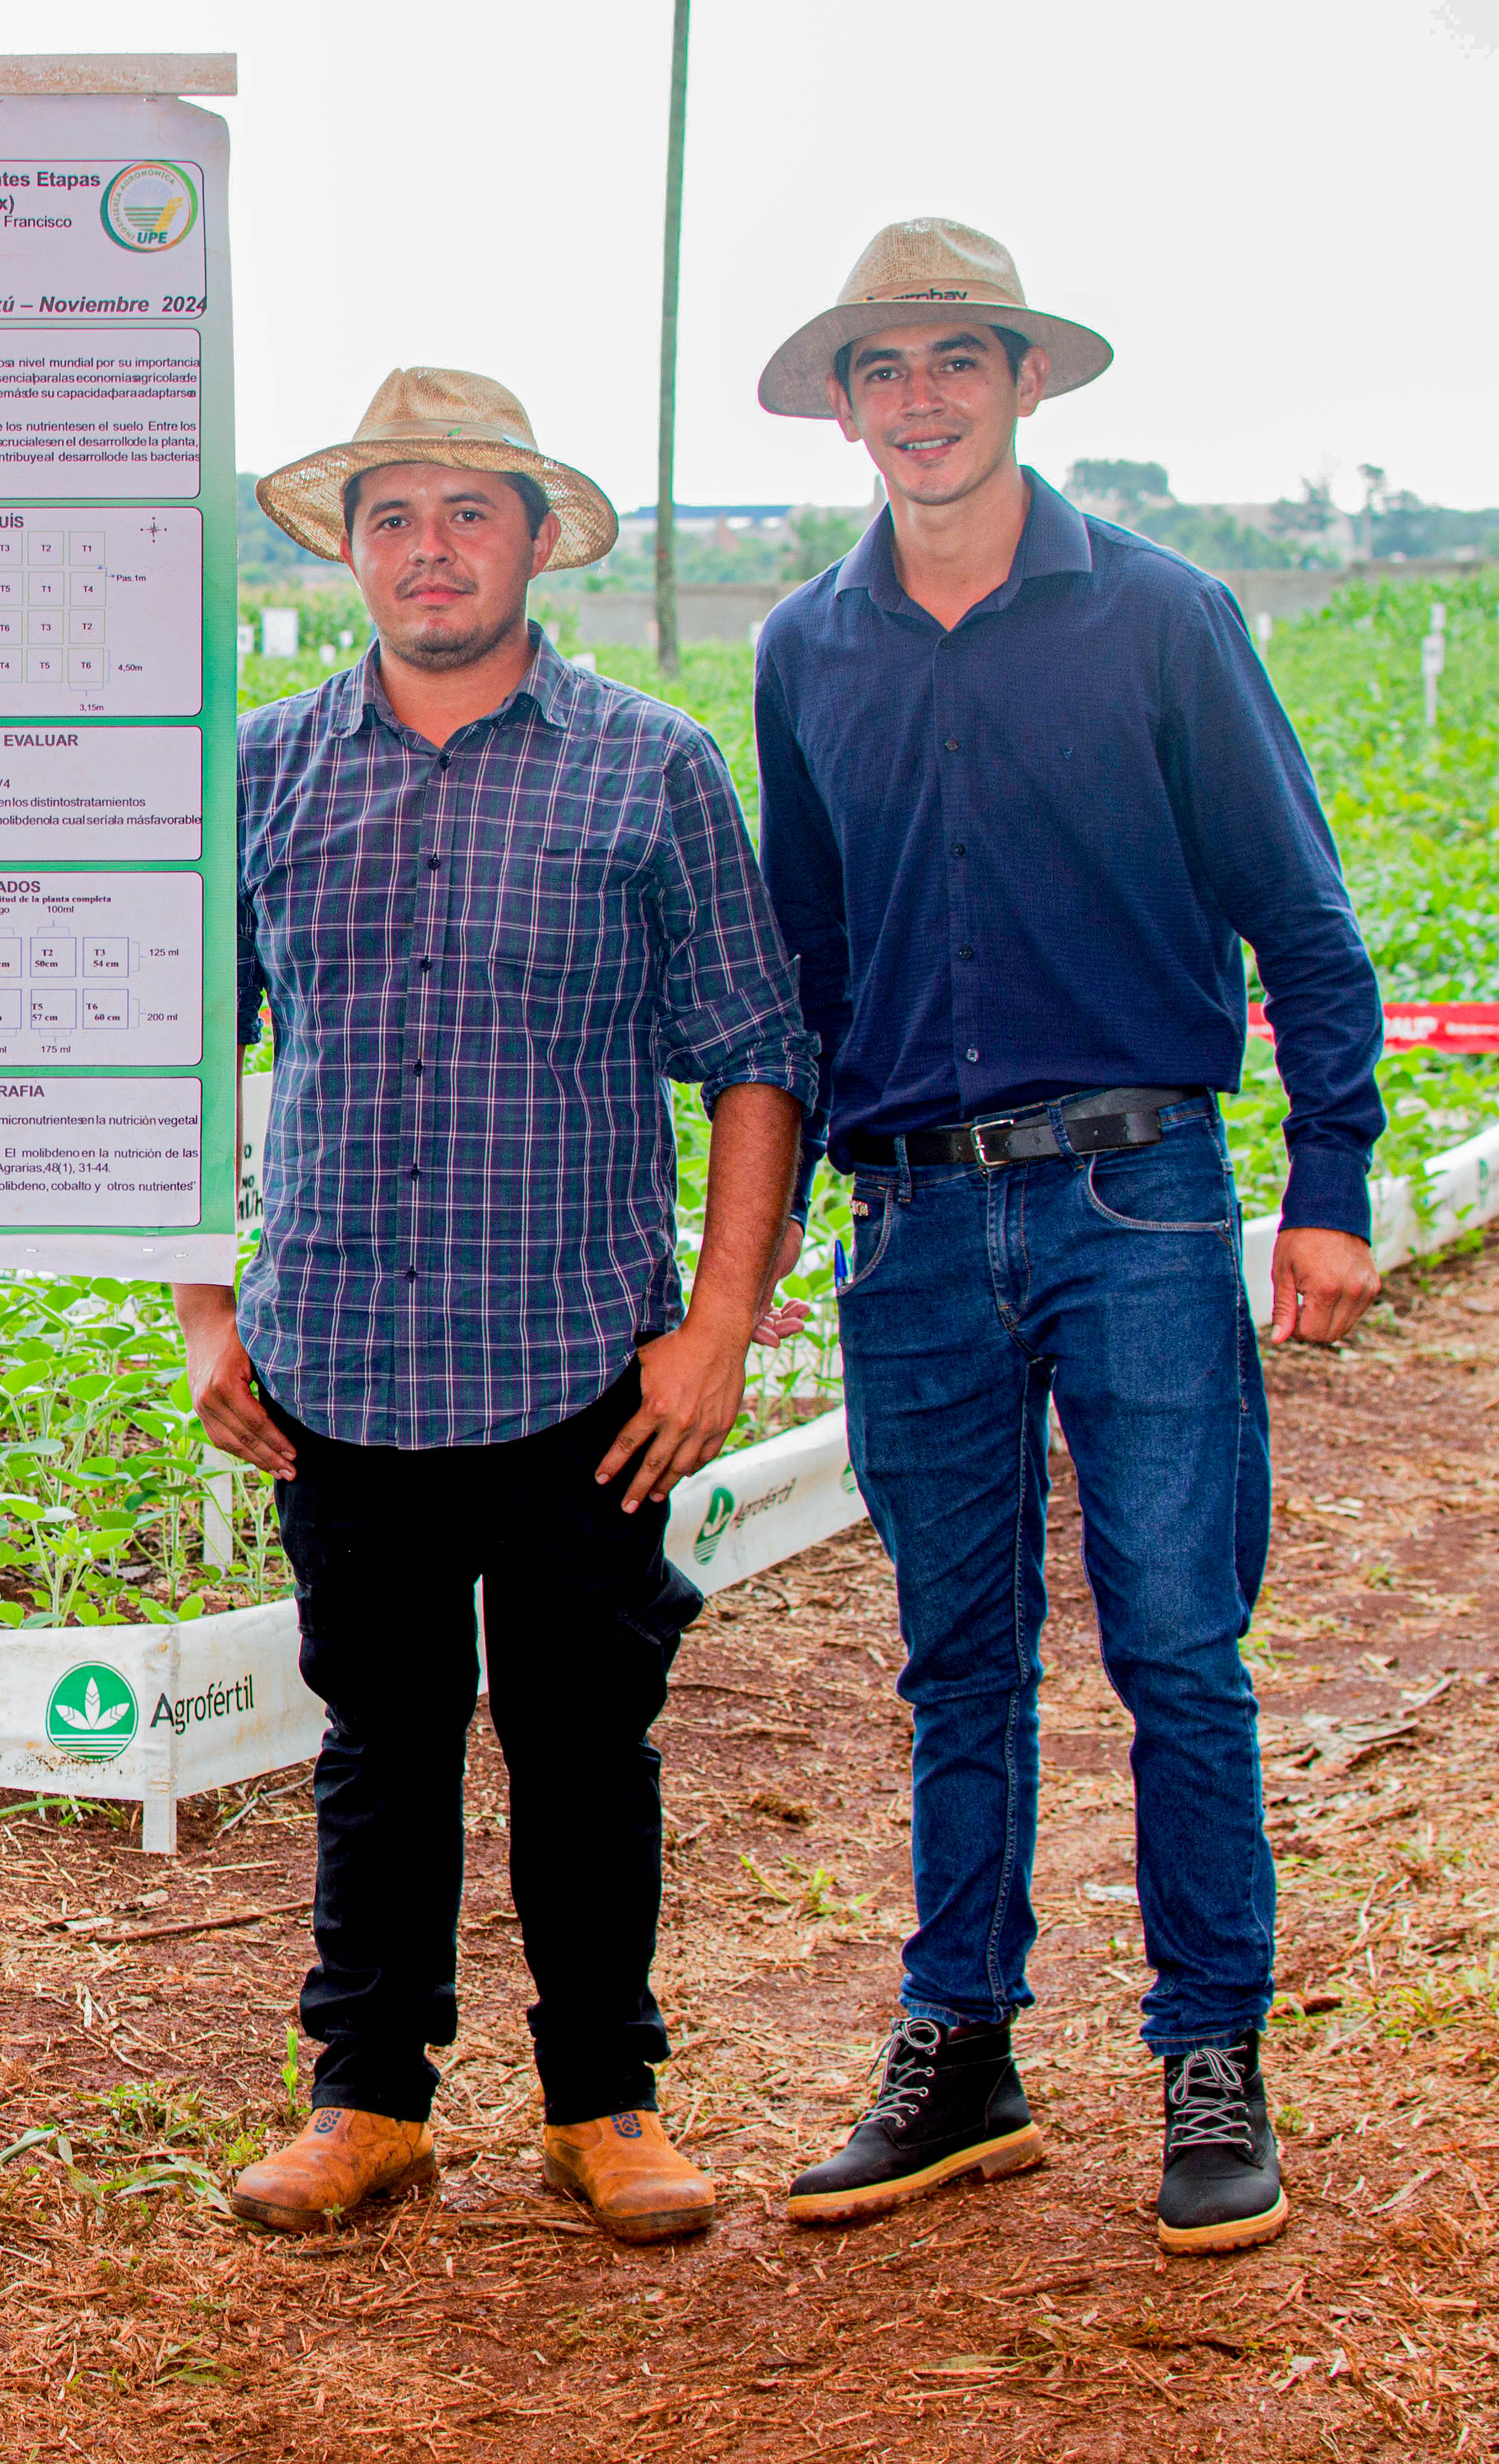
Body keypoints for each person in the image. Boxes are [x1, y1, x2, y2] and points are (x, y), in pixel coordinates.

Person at [750, 220, 1384, 2259]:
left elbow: (1303, 920)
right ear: (845, 406)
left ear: (1025, 383)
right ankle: (964, 2051)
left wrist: (1333, 1186)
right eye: (881, 369)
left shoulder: (1164, 620)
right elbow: (811, 960)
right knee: (958, 1659)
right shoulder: (805, 651)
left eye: (955, 359)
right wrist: (766, 1231)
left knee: (1180, 1646)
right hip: (912, 1218)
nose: (917, 398)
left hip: (1136, 1192)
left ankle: (1213, 2056)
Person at [175, 369, 817, 2247]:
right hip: (338, 1366)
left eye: (470, 512)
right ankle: (368, 2100)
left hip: (580, 1372)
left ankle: (606, 2104)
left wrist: (713, 1333)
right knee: (378, 1747)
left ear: (539, 542)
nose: (429, 548)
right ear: (350, 549)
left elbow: (756, 1061)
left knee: (582, 1744)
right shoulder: (266, 771)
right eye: (393, 516)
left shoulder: (651, 768)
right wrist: (210, 1309)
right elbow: (183, 1055)